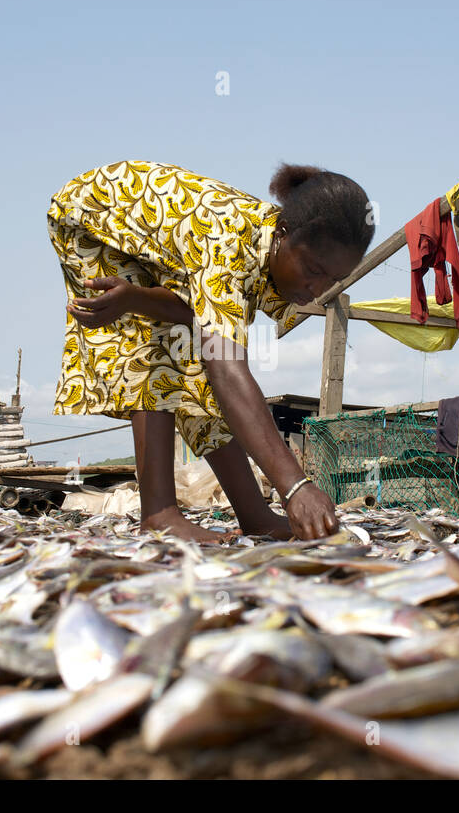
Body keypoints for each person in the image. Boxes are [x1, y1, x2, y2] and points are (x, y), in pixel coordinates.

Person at [49, 160, 373, 541]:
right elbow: (227, 371)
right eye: (313, 269)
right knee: (163, 348)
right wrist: (295, 487)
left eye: (331, 279)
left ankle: (254, 514)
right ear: (282, 234)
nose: (318, 288)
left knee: (194, 355)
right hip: (92, 214)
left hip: (153, 242)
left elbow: (196, 314)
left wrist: (137, 297)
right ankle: (158, 514)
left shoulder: (265, 243)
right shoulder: (226, 241)